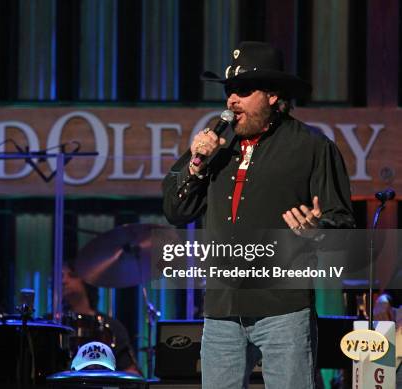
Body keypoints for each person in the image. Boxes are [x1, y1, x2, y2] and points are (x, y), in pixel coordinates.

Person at [162, 41, 355, 388]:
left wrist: (316, 230)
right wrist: (195, 164)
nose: (231, 100)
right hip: (222, 309)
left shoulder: (312, 147)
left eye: (243, 91)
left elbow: (343, 224)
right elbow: (176, 210)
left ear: (272, 95)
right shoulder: (217, 145)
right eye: (229, 91)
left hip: (283, 308)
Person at [62, 262, 141, 374]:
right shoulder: (51, 324)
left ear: (87, 280)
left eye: (72, 275)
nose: (63, 281)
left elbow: (131, 373)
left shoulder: (111, 326)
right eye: (60, 276)